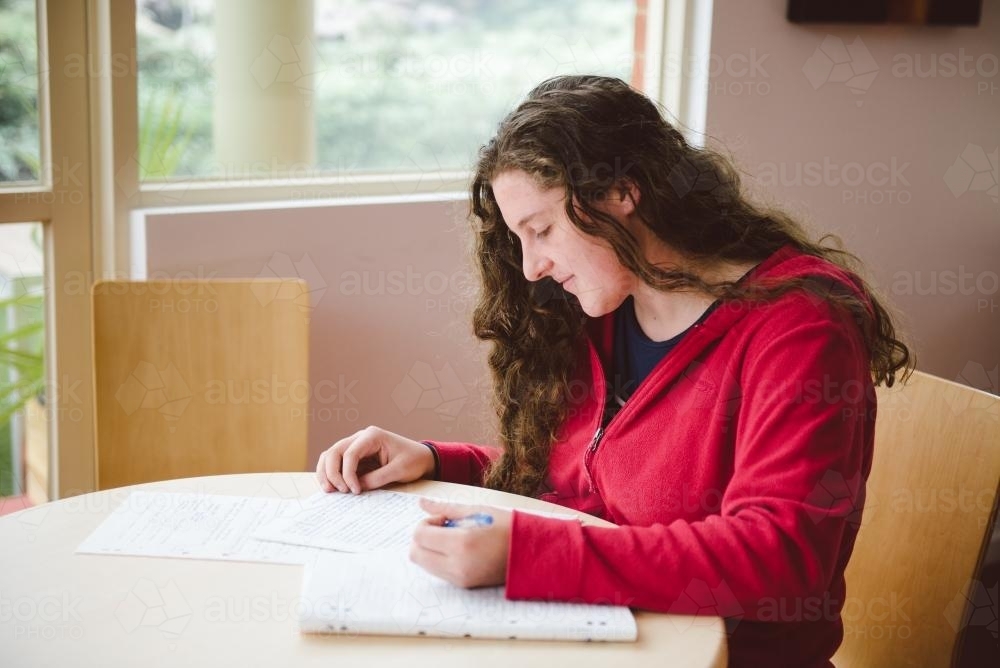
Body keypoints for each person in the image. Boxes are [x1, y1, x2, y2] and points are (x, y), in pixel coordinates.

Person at [315, 75, 911, 667]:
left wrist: (529, 556)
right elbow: (581, 483)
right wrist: (438, 460)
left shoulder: (799, 327)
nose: (530, 267)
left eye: (541, 230)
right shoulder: (607, 306)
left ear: (622, 192)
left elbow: (778, 559)